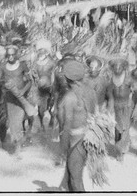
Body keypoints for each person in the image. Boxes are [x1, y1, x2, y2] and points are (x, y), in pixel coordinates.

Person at [58, 60, 97, 192]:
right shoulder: (90, 91)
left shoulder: (70, 97)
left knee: (76, 180)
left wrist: (63, 150)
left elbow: (67, 125)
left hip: (75, 141)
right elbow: (93, 114)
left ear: (69, 79)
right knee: (73, 177)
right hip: (88, 138)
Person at [0, 45, 36, 155]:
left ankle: (19, 143)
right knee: (13, 123)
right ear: (6, 55)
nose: (11, 57)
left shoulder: (22, 66)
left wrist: (22, 91)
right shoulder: (3, 66)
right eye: (9, 55)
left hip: (21, 98)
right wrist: (6, 82)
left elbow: (29, 81)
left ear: (17, 55)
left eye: (13, 54)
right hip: (9, 98)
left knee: (18, 121)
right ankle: (16, 143)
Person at [107, 58, 137, 162]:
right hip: (116, 107)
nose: (117, 69)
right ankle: (120, 146)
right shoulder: (111, 80)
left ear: (123, 68)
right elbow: (110, 96)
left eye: (119, 67)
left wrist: (136, 108)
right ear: (112, 69)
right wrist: (109, 109)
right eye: (115, 67)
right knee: (117, 129)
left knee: (125, 129)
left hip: (127, 106)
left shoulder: (129, 80)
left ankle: (121, 151)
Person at [32, 39, 57, 131]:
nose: (41, 54)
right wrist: (36, 80)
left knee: (51, 107)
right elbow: (33, 73)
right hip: (39, 88)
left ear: (46, 53)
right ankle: (42, 124)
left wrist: (53, 86)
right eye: (40, 53)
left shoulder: (52, 63)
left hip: (49, 87)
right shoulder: (35, 63)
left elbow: (54, 74)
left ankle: (51, 119)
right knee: (40, 108)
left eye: (43, 53)